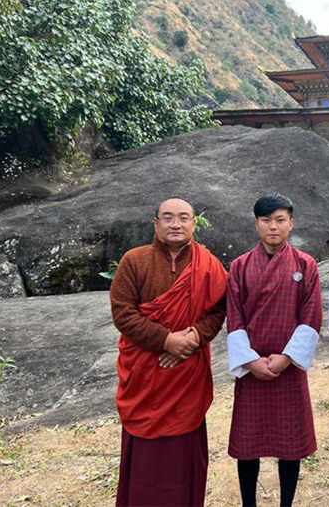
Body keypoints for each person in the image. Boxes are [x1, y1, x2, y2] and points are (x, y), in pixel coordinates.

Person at [109, 197, 228, 507]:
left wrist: (192, 337)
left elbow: (218, 310)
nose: (176, 224)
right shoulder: (134, 261)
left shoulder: (209, 265)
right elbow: (123, 314)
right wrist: (166, 340)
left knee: (183, 460)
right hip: (145, 376)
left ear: (193, 223)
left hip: (186, 375)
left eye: (184, 218)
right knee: (145, 468)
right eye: (168, 218)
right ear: (156, 223)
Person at [225, 194, 322, 507]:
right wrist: (251, 360)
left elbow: (311, 316)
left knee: (289, 444)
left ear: (291, 223)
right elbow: (234, 316)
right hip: (253, 367)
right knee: (248, 444)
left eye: (280, 220)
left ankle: (286, 504)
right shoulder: (239, 266)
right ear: (256, 224)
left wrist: (285, 358)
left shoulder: (305, 265)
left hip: (286, 366)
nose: (273, 226)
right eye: (266, 220)